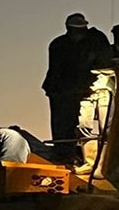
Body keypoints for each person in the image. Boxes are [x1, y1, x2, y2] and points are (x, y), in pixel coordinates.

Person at [41, 13, 111, 164]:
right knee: (64, 126)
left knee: (99, 126)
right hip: (62, 91)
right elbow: (58, 71)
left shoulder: (94, 42)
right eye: (76, 30)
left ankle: (94, 160)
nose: (78, 33)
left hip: (87, 90)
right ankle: (64, 157)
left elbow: (105, 62)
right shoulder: (59, 45)